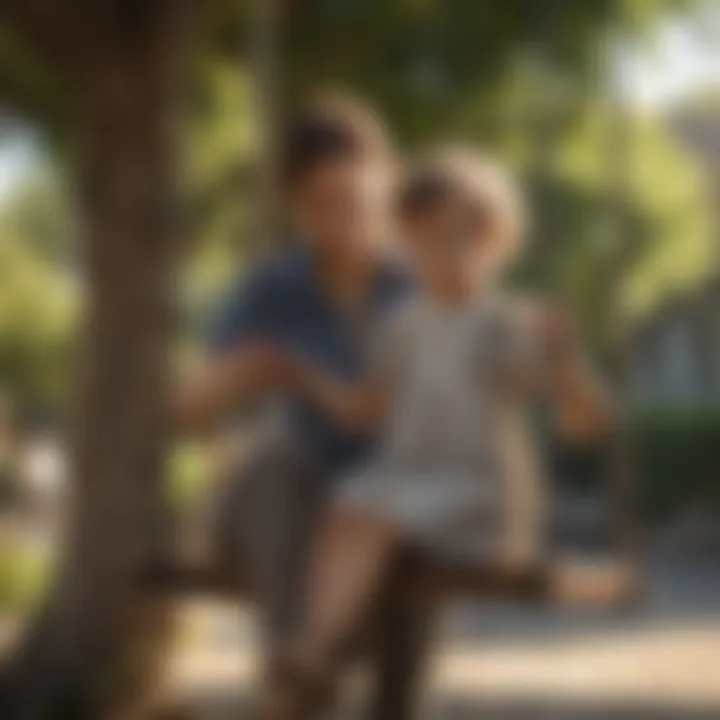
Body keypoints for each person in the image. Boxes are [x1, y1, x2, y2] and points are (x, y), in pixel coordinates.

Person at [259, 149, 613, 718]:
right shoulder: (403, 324)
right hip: (407, 486)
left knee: (370, 518)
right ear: (404, 245)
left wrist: (567, 360)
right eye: (424, 240)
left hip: (473, 497)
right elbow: (367, 409)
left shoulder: (500, 323)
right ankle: (315, 656)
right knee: (344, 510)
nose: (442, 255)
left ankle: (312, 655)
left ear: (496, 242)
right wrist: (297, 374)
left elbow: (585, 423)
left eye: (459, 239)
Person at [176, 95, 432, 719]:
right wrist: (227, 379)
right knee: (274, 461)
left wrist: (299, 374)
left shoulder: (421, 285)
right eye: (317, 205)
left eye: (353, 198)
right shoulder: (275, 286)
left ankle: (307, 673)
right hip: (288, 499)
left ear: (386, 187)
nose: (339, 219)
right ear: (294, 208)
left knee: (396, 521)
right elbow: (188, 410)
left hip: (390, 496)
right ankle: (297, 673)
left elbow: (384, 411)